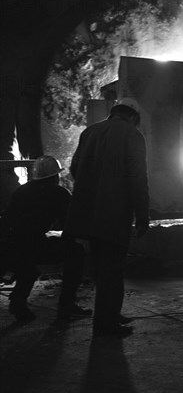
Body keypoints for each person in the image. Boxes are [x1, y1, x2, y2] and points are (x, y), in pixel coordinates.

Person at [64, 97, 150, 337]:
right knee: (112, 269)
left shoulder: (89, 131)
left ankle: (110, 314)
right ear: (134, 117)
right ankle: (105, 324)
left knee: (101, 267)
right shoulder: (133, 135)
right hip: (113, 214)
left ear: (114, 112)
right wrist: (143, 214)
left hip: (87, 214)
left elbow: (74, 169)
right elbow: (138, 178)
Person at [1, 155, 89, 322]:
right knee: (76, 253)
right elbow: (71, 225)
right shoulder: (58, 193)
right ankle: (66, 305)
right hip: (31, 245)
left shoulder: (22, 190)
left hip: (8, 246)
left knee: (27, 269)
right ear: (55, 176)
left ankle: (18, 303)